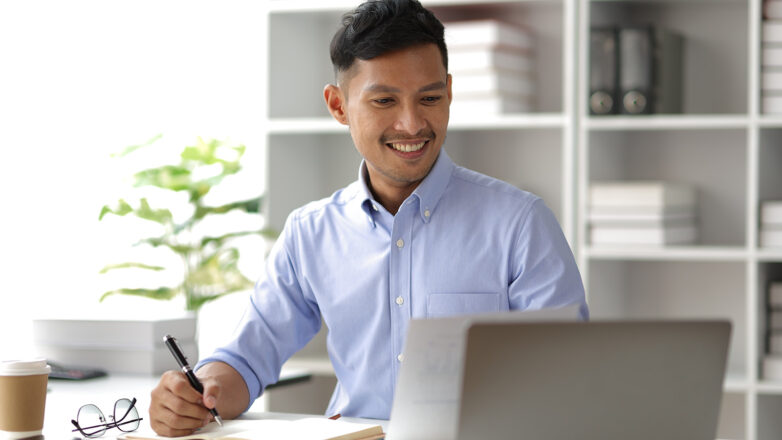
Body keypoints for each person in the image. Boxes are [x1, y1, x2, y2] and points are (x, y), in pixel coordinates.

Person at [148, 0, 588, 436]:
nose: (412, 123)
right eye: (384, 101)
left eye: (430, 98)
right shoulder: (310, 232)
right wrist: (196, 396)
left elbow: (569, 380)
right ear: (339, 106)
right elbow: (246, 359)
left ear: (450, 93)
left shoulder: (520, 224)